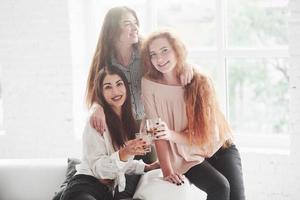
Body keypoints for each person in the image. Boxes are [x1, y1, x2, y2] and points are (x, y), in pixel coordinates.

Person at [141, 30, 245, 200]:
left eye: (165, 50)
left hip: (219, 147)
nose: (159, 59)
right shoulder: (149, 84)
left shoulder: (200, 81)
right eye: (153, 54)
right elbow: (157, 132)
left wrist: (170, 134)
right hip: (184, 155)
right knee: (220, 187)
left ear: (177, 50)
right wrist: (167, 171)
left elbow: (206, 137)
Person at [85, 7, 193, 160]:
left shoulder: (146, 51)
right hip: (120, 126)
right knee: (124, 171)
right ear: (113, 28)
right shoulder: (105, 61)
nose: (135, 28)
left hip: (148, 124)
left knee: (152, 168)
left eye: (136, 23)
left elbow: (172, 55)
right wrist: (97, 107)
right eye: (128, 23)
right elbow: (95, 93)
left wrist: (186, 65)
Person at [60, 66, 159, 200]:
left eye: (119, 84)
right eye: (108, 87)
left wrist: (146, 167)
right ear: (101, 93)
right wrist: (125, 153)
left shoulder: (126, 122)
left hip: (105, 193)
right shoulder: (96, 121)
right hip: (84, 187)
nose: (115, 91)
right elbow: (99, 170)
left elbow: (120, 164)